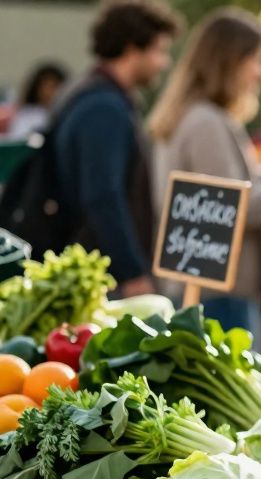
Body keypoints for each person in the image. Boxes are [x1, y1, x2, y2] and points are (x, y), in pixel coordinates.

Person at [148, 9, 261, 337]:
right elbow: (237, 207)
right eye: (257, 59)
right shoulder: (207, 123)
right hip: (219, 292)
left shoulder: (188, 116)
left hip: (197, 285)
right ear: (229, 62)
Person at [50, 0, 180, 296]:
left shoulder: (85, 92)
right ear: (133, 48)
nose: (164, 63)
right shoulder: (104, 107)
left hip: (90, 268)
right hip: (101, 277)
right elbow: (102, 196)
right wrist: (132, 272)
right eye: (160, 50)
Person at [5, 62, 68, 141]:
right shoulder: (26, 116)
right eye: (46, 86)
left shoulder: (67, 114)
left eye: (54, 86)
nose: (50, 92)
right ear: (36, 89)